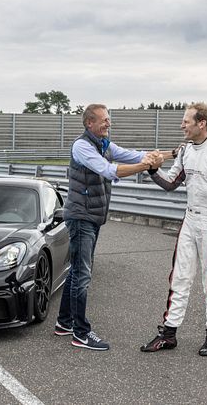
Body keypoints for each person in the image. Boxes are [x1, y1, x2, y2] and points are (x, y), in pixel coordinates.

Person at [54, 104, 166, 351]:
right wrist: (146, 166)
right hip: (82, 218)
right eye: (104, 120)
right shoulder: (82, 146)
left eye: (108, 119)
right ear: (89, 123)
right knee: (82, 275)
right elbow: (109, 170)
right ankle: (81, 334)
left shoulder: (104, 144)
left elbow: (131, 154)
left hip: (91, 217)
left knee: (76, 272)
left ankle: (64, 323)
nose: (108, 123)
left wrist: (162, 155)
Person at [140, 102, 207, 356]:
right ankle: (169, 333)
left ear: (202, 123)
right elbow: (171, 183)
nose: (181, 125)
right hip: (189, 221)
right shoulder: (185, 150)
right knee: (179, 278)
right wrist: (153, 169)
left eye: (186, 121)